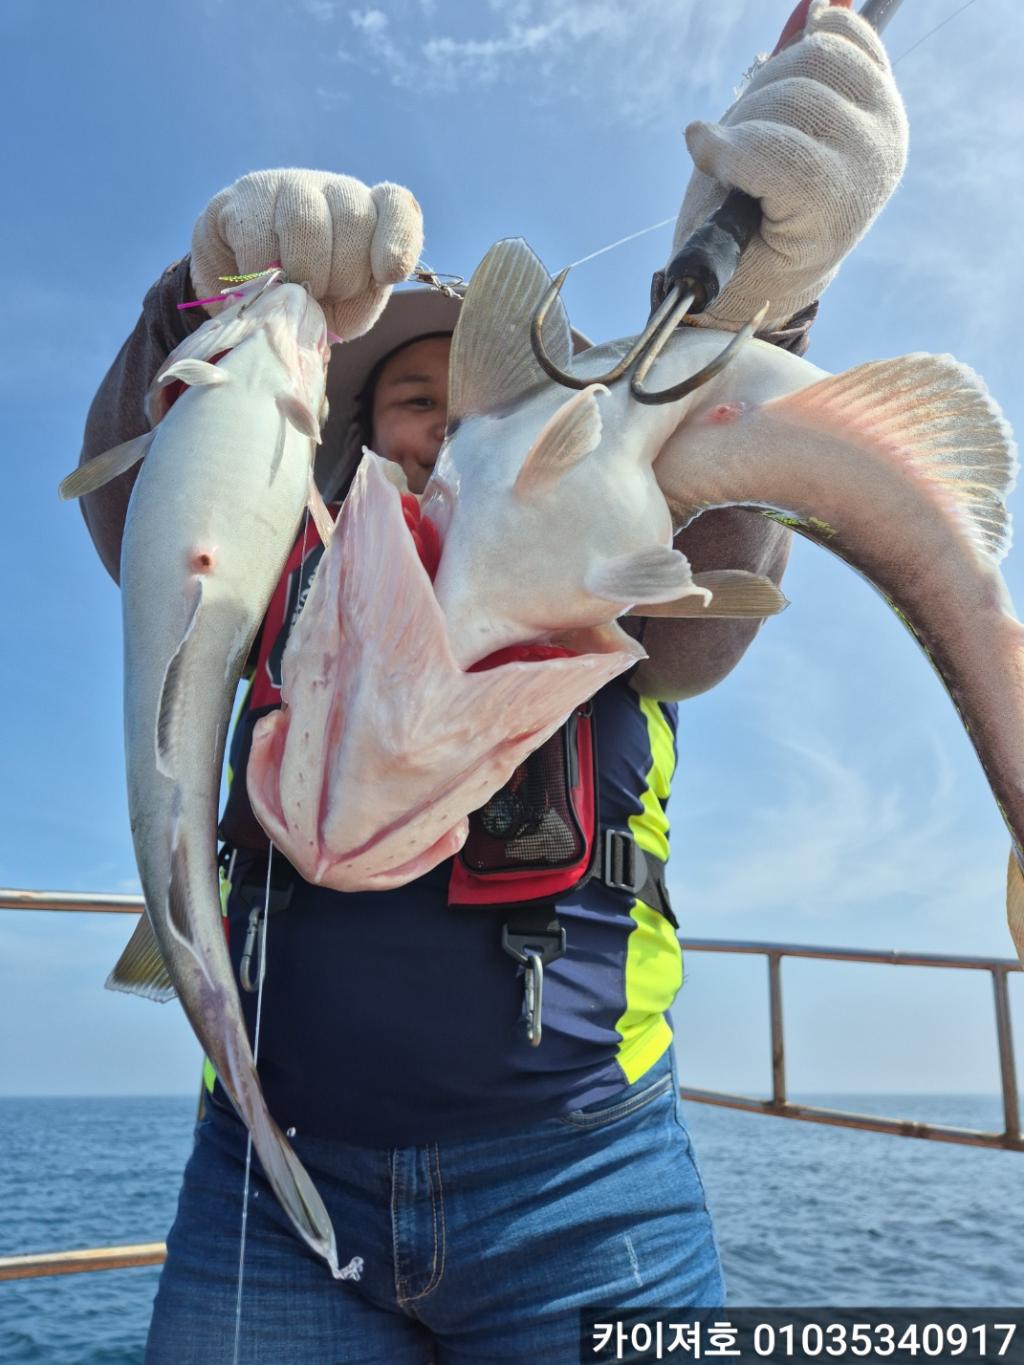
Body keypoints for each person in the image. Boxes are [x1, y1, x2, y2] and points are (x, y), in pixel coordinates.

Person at [77, 3, 907, 1359]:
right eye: (413, 400)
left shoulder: (604, 557)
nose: (450, 423)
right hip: (269, 1176)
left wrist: (775, 294)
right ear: (346, 439)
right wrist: (199, 294)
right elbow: (158, 512)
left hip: (585, 1186)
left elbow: (704, 607)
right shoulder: (292, 561)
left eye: (483, 400)